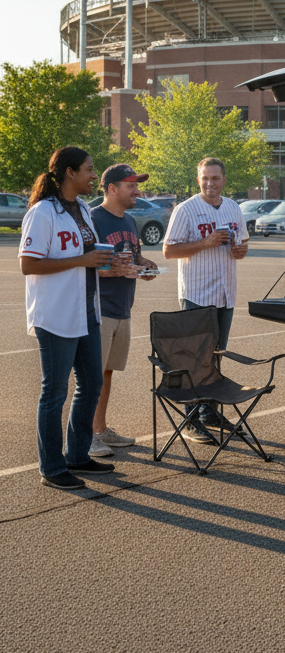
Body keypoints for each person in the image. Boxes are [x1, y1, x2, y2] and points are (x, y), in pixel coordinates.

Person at [19, 147, 128, 490]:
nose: (94, 175)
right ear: (70, 172)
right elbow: (28, 264)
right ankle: (52, 468)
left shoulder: (82, 208)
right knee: (54, 393)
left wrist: (110, 263)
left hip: (87, 311)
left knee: (91, 384)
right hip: (56, 314)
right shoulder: (42, 212)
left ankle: (77, 456)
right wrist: (82, 261)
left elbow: (87, 256)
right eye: (89, 169)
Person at [163, 157, 249, 444]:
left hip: (225, 293)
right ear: (198, 180)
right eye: (205, 178)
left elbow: (243, 243)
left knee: (216, 356)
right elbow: (168, 251)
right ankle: (190, 420)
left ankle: (209, 413)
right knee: (193, 359)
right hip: (197, 294)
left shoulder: (233, 207)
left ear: (224, 179)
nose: (210, 183)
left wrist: (240, 251)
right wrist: (205, 242)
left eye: (215, 178)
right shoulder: (186, 209)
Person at [88, 163, 160, 458]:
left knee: (106, 373)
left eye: (137, 185)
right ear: (112, 188)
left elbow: (134, 255)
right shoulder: (92, 219)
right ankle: (86, 436)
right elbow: (83, 263)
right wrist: (111, 270)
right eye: (131, 186)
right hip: (99, 309)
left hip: (122, 308)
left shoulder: (129, 220)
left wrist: (146, 266)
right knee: (91, 377)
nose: (137, 191)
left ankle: (100, 429)